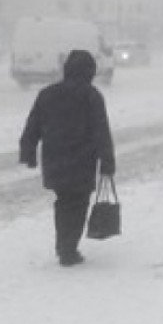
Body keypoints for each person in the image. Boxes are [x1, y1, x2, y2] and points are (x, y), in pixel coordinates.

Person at [19, 49, 116, 267]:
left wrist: (28, 152)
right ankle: (68, 249)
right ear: (89, 71)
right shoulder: (91, 96)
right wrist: (107, 162)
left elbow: (33, 125)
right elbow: (101, 131)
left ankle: (64, 246)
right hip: (82, 160)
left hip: (55, 159)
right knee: (78, 204)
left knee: (63, 202)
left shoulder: (47, 94)